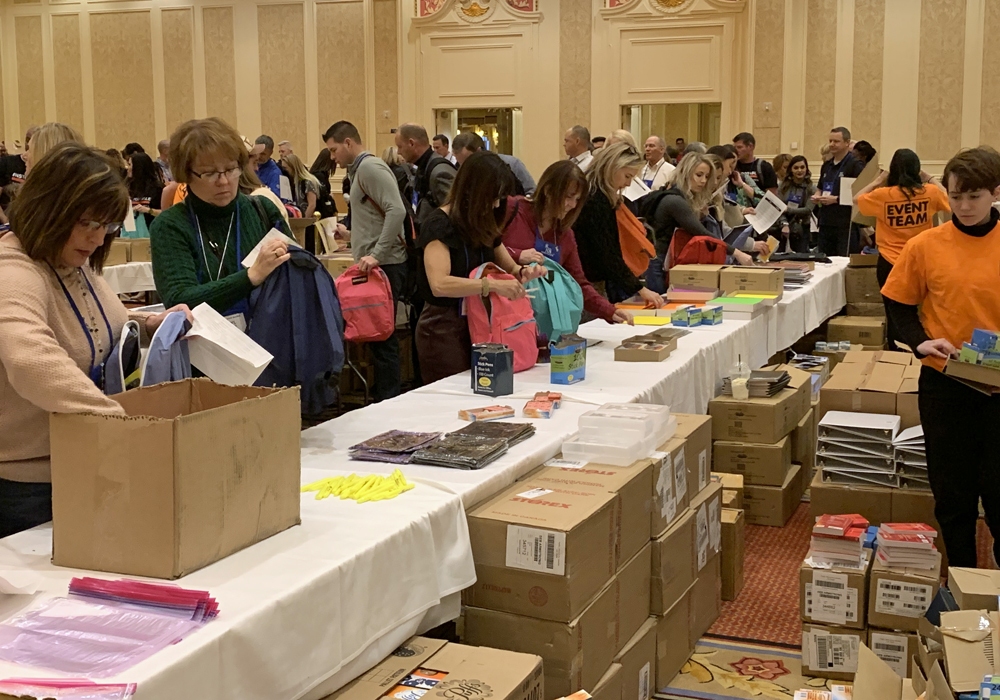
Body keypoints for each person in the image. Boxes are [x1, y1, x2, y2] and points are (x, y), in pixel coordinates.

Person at [0, 142, 189, 538]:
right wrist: (120, 421)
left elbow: (104, 324)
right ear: (48, 210)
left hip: (78, 465)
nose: (97, 238)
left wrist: (152, 321)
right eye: (86, 223)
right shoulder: (14, 274)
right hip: (24, 489)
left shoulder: (70, 263)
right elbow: (31, 361)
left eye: (105, 226)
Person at [881, 146, 1000, 568]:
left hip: (999, 387)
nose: (964, 206)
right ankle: (964, 572)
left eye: (974, 196)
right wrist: (919, 342)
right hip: (945, 382)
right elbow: (897, 304)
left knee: (998, 488)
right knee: (952, 491)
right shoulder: (925, 246)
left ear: (995, 193)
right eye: (955, 196)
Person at [415, 151, 545, 383]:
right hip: (445, 329)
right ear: (473, 191)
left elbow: (512, 269)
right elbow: (439, 284)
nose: (496, 204)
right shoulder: (439, 225)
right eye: (492, 197)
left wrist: (526, 273)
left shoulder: (484, 221)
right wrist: (490, 286)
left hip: (483, 323)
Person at [151, 118, 290, 321]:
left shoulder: (263, 210)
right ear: (186, 174)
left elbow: (294, 278)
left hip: (271, 340)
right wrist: (250, 276)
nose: (224, 181)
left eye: (231, 169)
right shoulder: (170, 226)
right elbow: (178, 301)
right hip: (203, 347)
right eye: (210, 173)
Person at [326, 121, 409, 401]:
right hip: (378, 264)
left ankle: (388, 400)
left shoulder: (369, 168)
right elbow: (379, 218)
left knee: (382, 335)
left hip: (385, 266)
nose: (332, 157)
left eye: (334, 149)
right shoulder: (361, 170)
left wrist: (376, 254)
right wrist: (352, 236)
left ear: (349, 143)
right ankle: (385, 397)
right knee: (376, 336)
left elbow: (395, 211)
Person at [502, 160, 632, 325]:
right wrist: (517, 255)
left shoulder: (565, 235)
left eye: (577, 199)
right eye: (568, 196)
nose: (572, 205)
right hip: (505, 315)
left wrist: (611, 311)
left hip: (540, 322)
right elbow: (485, 249)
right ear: (548, 190)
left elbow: (578, 283)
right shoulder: (512, 210)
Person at [855, 149, 949, 348]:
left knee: (894, 312)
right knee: (922, 310)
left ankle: (896, 350)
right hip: (921, 261)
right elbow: (949, 197)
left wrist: (880, 179)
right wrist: (929, 177)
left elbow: (856, 198)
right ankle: (921, 346)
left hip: (889, 261)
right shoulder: (929, 193)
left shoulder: (883, 195)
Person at [645, 153, 756, 291]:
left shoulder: (681, 197)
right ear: (686, 173)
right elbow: (702, 233)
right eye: (699, 175)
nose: (703, 181)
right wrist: (737, 253)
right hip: (658, 262)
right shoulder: (675, 201)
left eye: (706, 176)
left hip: (668, 260)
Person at [573, 142, 661, 307]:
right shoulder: (596, 200)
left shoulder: (594, 193)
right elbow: (607, 252)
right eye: (627, 176)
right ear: (613, 167)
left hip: (587, 279)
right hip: (586, 283)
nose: (628, 184)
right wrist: (639, 289)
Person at [813, 126, 866, 256]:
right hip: (826, 222)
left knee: (843, 261)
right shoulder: (827, 165)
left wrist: (836, 199)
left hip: (845, 224)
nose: (832, 144)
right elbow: (820, 187)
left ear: (847, 143)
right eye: (830, 141)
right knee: (825, 260)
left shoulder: (855, 165)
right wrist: (817, 195)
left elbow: (860, 193)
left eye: (836, 141)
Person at [395, 123, 457, 226]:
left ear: (411, 143)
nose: (398, 152)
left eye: (400, 146)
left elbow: (456, 215)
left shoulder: (439, 172)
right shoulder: (424, 167)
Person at [452, 132, 536, 196]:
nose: (466, 167)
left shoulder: (511, 164)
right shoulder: (456, 171)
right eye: (461, 163)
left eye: (468, 160)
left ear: (478, 151)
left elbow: (531, 192)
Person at [777, 155, 817, 253]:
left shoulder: (811, 188)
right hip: (783, 227)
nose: (799, 170)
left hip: (802, 228)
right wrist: (784, 224)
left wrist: (788, 209)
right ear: (791, 170)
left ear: (806, 169)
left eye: (802, 167)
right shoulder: (783, 186)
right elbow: (779, 207)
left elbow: (808, 209)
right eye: (796, 168)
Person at [707, 144, 761, 214]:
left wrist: (742, 184)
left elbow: (761, 198)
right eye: (729, 165)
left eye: (734, 162)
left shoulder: (741, 177)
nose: (730, 170)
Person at [127, 152, 166, 228]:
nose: (127, 168)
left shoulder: (158, 188)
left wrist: (148, 210)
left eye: (130, 164)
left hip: (152, 230)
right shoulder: (128, 187)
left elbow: (165, 213)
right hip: (131, 232)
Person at [281, 153, 321, 218]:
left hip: (308, 221)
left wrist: (303, 222)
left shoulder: (308, 182)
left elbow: (312, 205)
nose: (284, 170)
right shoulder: (293, 181)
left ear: (293, 167)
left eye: (285, 168)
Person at [254, 134, 282, 198]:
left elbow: (273, 198)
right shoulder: (250, 166)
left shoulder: (275, 173)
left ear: (271, 153)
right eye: (257, 152)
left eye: (263, 154)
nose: (258, 156)